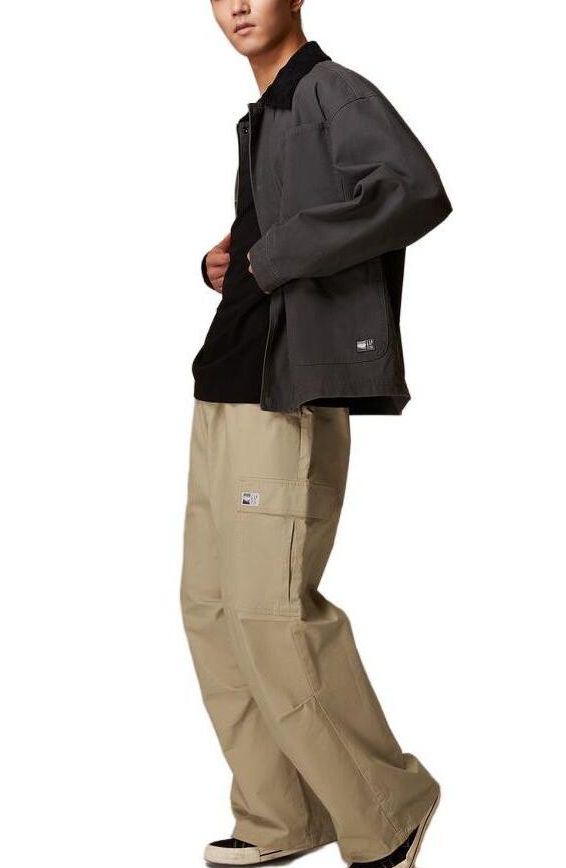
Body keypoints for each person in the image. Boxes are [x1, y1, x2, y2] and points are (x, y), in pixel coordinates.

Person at [180, 3, 452, 867]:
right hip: (228, 383)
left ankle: (388, 805)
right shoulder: (267, 111)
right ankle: (282, 813)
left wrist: (276, 253)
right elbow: (282, 232)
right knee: (213, 612)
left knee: (272, 613)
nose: (237, 5)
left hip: (286, 394)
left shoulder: (329, 89)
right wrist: (232, 255)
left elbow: (412, 190)